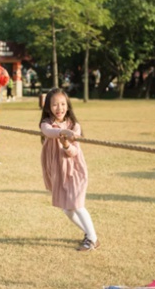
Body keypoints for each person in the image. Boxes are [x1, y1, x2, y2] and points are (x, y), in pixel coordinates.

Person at [39, 88, 100, 252]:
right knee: (67, 209)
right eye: (55, 105)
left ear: (68, 105)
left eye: (63, 104)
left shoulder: (75, 126)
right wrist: (62, 132)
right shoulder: (46, 123)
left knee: (78, 205)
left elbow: (74, 152)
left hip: (75, 171)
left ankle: (92, 238)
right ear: (48, 107)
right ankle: (89, 234)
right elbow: (48, 132)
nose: (59, 108)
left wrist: (66, 143)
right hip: (60, 172)